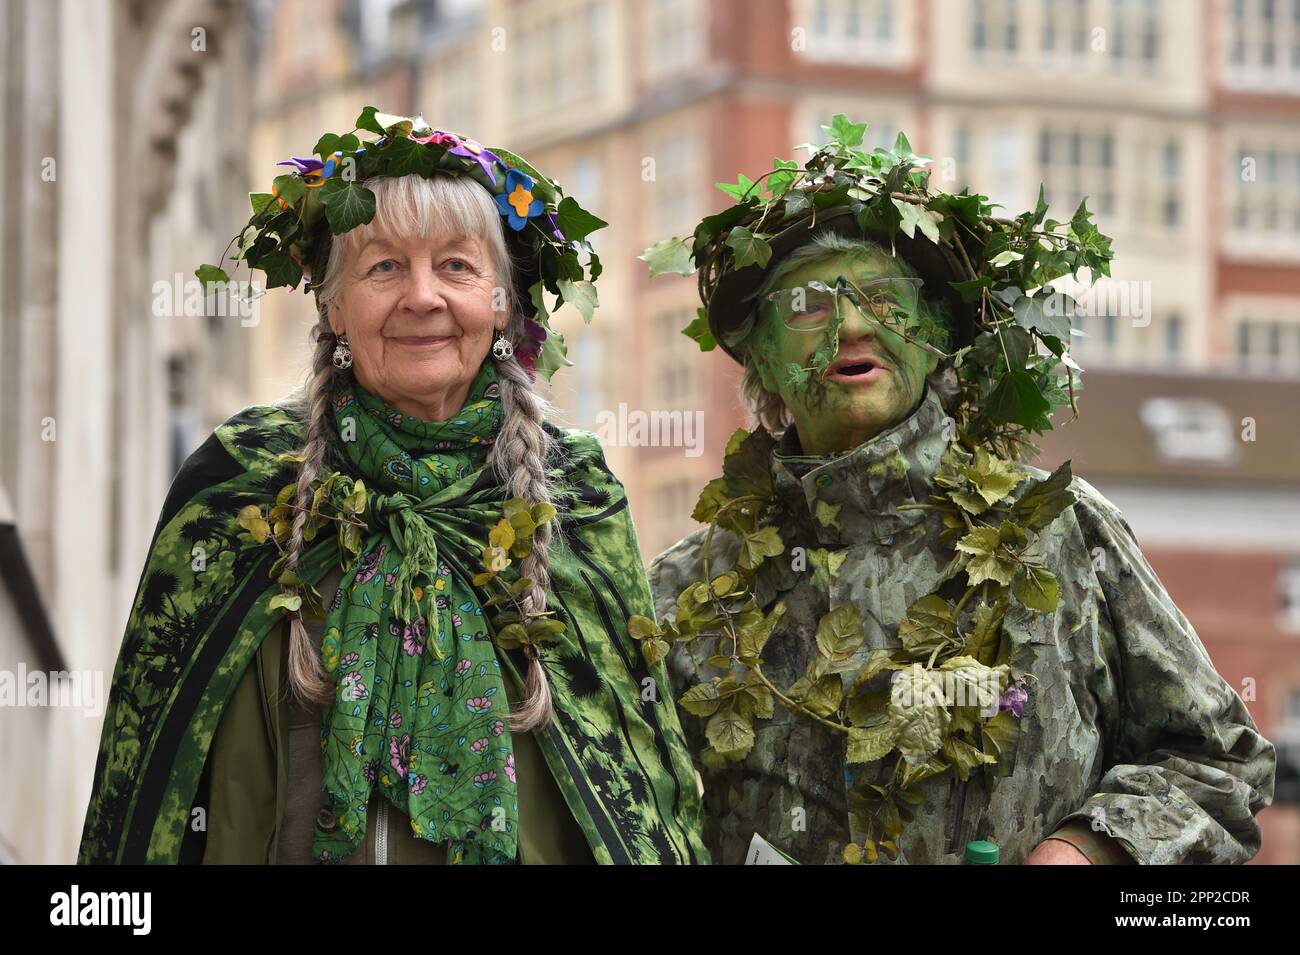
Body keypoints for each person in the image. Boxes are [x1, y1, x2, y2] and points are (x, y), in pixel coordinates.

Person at [638, 116, 1276, 865]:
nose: (848, 324)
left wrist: (1083, 852)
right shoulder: (688, 595)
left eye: (881, 297)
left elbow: (1220, 763)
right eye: (807, 306)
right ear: (763, 363)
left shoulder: (1058, 533)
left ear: (937, 328)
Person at [78, 109, 708, 865]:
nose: (422, 297)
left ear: (501, 303)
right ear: (335, 307)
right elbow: (147, 786)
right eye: (384, 267)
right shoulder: (239, 486)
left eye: (456, 266)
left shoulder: (573, 494)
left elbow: (641, 800)